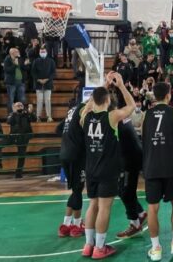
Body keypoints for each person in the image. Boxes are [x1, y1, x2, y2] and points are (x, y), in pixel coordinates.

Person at [79, 72, 135, 259]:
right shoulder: (112, 117)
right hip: (108, 169)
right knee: (104, 208)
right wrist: (120, 85)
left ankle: (88, 245)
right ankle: (100, 247)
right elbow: (132, 106)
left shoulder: (85, 116)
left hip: (91, 169)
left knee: (92, 205)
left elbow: (89, 104)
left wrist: (102, 86)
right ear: (107, 101)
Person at [142, 82, 173, 261]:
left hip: (152, 165)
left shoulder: (146, 114)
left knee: (153, 208)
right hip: (170, 164)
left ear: (154, 95)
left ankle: (156, 249)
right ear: (168, 95)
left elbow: (144, 137)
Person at [115, 116, 148, 239]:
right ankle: (140, 213)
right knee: (127, 190)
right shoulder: (120, 115)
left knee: (125, 193)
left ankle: (135, 224)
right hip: (133, 156)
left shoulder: (113, 118)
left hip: (130, 160)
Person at [57, 101, 86, 238]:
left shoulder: (69, 114)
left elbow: (57, 129)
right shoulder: (82, 110)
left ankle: (66, 225)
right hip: (76, 156)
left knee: (75, 190)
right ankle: (76, 225)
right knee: (78, 191)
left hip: (64, 154)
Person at [8, 102, 37, 178]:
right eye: (18, 106)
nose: (20, 107)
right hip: (14, 136)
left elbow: (34, 119)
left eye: (21, 105)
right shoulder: (12, 114)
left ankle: (19, 172)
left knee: (22, 154)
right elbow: (9, 122)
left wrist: (31, 112)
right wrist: (14, 113)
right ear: (14, 107)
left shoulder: (26, 114)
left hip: (24, 137)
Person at [31, 46, 57, 122]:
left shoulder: (51, 61)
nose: (43, 53)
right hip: (38, 84)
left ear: (46, 52)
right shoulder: (36, 61)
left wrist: (47, 79)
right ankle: (38, 116)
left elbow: (53, 72)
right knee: (39, 100)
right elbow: (33, 72)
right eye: (41, 52)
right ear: (39, 53)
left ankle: (49, 116)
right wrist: (38, 79)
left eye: (44, 52)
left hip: (48, 84)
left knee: (48, 100)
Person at [3, 48, 29, 113]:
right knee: (11, 99)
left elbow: (25, 69)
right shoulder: (7, 60)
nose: (18, 52)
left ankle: (22, 113)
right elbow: (7, 70)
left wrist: (26, 64)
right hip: (11, 83)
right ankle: (11, 114)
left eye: (18, 51)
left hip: (21, 82)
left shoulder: (20, 59)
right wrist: (15, 65)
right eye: (16, 51)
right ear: (12, 53)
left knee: (22, 99)